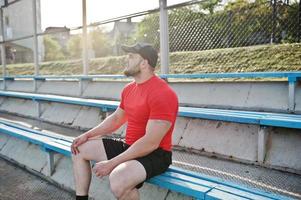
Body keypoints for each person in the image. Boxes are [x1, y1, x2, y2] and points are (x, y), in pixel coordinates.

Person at [71, 42, 178, 200]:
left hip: (155, 155)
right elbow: (116, 119)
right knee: (79, 148)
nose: (126, 59)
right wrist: (87, 135)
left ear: (144, 63)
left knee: (118, 179)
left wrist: (111, 163)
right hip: (129, 146)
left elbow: (150, 143)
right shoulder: (129, 89)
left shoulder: (162, 93)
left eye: (131, 56)